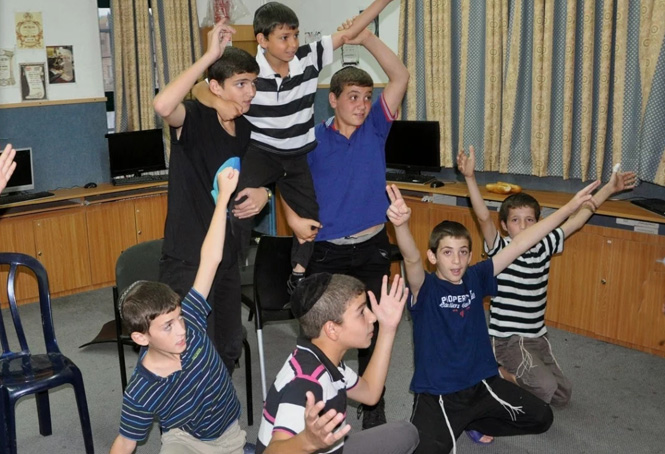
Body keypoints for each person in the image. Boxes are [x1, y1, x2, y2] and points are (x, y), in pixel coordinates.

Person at [193, 0, 397, 293]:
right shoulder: (251, 75)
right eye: (284, 38)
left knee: (310, 218)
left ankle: (299, 272)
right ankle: (228, 265)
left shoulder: (308, 59)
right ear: (262, 40)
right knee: (237, 199)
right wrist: (219, 104)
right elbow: (202, 88)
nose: (292, 44)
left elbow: (351, 30)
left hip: (297, 155)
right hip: (262, 152)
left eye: (296, 36)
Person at [386, 180, 602, 454]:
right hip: (439, 393)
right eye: (447, 252)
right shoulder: (425, 288)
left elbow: (523, 241)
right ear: (433, 256)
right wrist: (401, 225)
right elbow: (411, 259)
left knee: (542, 418)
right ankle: (464, 421)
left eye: (463, 252)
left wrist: (570, 207)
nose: (456, 261)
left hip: (481, 385)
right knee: (424, 450)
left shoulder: (476, 277)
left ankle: (474, 420)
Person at [281, 21, 408, 428]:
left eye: (367, 97)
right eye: (353, 97)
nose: (362, 104)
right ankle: (312, 400)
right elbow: (283, 178)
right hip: (328, 250)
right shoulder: (312, 140)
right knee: (323, 333)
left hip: (372, 247)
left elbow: (401, 75)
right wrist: (292, 218)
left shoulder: (376, 128)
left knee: (372, 330)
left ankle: (374, 405)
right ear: (332, 100)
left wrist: (366, 36)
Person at [457, 146, 637, 407]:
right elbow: (483, 216)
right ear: (505, 226)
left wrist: (609, 188)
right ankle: (491, 373)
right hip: (508, 339)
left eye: (531, 220)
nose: (524, 226)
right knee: (543, 389)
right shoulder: (500, 248)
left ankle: (513, 374)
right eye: (516, 220)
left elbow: (578, 219)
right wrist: (470, 178)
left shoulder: (544, 245)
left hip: (537, 338)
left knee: (561, 396)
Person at [153, 21, 269, 373]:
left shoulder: (245, 127)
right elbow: (162, 105)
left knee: (227, 344)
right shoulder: (194, 118)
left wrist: (263, 193)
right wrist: (209, 57)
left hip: (228, 254)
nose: (250, 91)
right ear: (215, 86)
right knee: (188, 349)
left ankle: (218, 419)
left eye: (253, 83)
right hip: (188, 255)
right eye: (241, 84)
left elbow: (248, 179)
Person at [110, 167, 246, 454]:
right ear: (141, 338)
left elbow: (210, 259)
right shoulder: (142, 388)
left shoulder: (193, 320)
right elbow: (125, 442)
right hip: (183, 440)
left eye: (178, 318)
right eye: (168, 326)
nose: (182, 330)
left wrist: (222, 199)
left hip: (230, 433)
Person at [255, 272, 419, 454]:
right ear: (332, 329)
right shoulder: (305, 384)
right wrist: (307, 441)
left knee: (406, 433)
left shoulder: (326, 359)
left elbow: (371, 393)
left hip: (331, 447)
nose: (372, 317)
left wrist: (388, 329)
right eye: (361, 312)